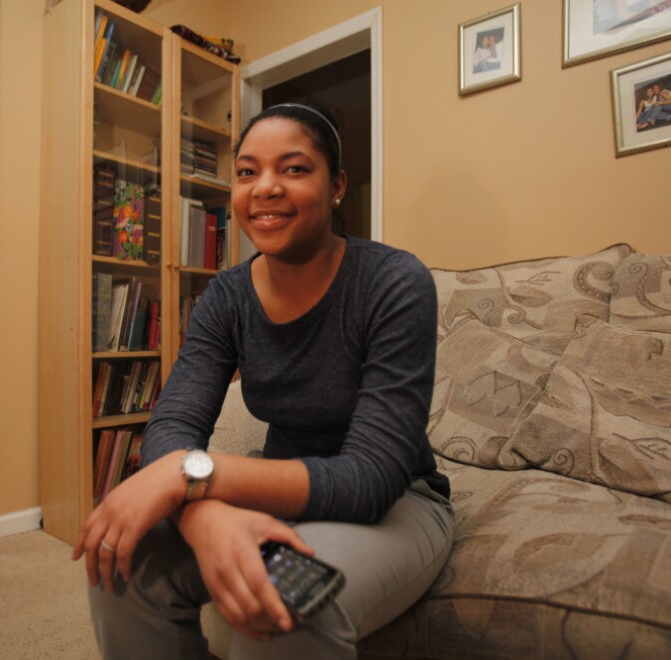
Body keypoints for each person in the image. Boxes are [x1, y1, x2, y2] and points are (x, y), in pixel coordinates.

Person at [73, 101, 455, 660]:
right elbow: (173, 424)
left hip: (398, 500)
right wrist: (203, 513)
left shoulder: (394, 282)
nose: (265, 188)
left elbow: (370, 478)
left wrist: (188, 476)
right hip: (275, 485)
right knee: (123, 558)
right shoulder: (226, 298)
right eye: (247, 172)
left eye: (295, 169)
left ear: (338, 185)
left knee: (284, 597)